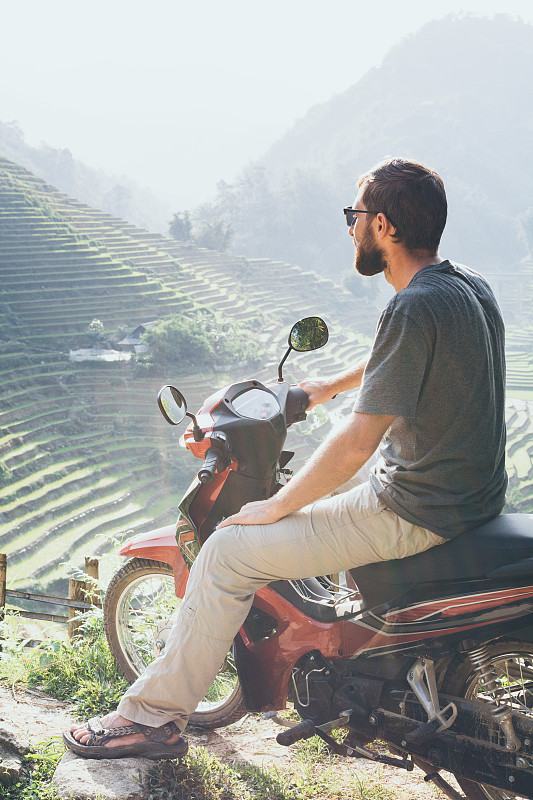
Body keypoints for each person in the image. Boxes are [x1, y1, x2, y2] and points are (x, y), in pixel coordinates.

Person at [64, 157, 507, 759]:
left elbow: (355, 444)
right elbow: (395, 360)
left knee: (226, 551)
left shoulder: (413, 306)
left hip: (415, 507)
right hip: (469, 494)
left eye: (356, 218)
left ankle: (154, 718)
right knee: (303, 521)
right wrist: (321, 388)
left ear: (385, 227)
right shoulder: (461, 286)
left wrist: (274, 505)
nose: (350, 229)